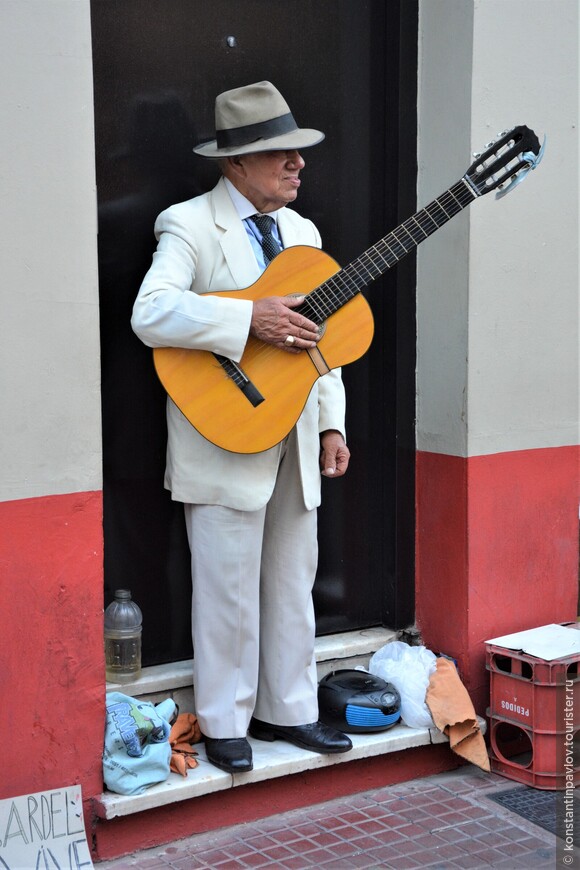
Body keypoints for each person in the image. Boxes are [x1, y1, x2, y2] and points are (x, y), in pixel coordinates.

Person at [131, 81, 353, 774]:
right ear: (235, 164)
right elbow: (151, 312)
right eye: (279, 154)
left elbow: (323, 342)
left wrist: (330, 425)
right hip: (223, 433)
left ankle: (290, 711)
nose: (298, 165)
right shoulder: (188, 224)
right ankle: (226, 721)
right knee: (226, 584)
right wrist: (246, 319)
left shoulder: (304, 233)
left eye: (297, 152)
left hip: (292, 433)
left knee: (293, 577)